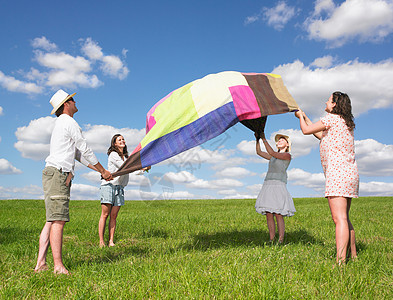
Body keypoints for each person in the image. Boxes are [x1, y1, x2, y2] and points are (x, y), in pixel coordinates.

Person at [34, 89, 112, 275]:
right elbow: (85, 149)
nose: (76, 102)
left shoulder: (62, 123)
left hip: (54, 173)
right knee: (58, 220)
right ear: (66, 104)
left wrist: (101, 172)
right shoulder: (69, 122)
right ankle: (58, 266)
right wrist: (103, 170)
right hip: (58, 174)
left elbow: (77, 155)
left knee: (51, 220)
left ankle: (41, 264)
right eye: (72, 100)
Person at [295, 91, 359, 265]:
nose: (326, 101)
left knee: (339, 219)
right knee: (345, 217)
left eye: (329, 100)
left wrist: (300, 118)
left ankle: (340, 263)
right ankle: (353, 255)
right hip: (349, 175)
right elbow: (320, 135)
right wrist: (305, 116)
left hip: (337, 175)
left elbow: (306, 131)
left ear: (334, 105)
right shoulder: (345, 123)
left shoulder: (331, 118)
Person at [255, 132, 296, 243]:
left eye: (282, 140)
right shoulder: (273, 157)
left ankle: (281, 240)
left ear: (287, 145)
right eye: (278, 140)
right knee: (269, 213)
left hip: (278, 184)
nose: (279, 141)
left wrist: (263, 138)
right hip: (268, 184)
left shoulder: (287, 155)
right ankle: (272, 239)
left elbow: (272, 152)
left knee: (278, 213)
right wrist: (257, 140)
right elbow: (259, 152)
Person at [98, 134, 129, 248]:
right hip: (109, 186)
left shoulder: (126, 157)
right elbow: (124, 167)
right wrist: (139, 166)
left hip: (119, 187)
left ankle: (111, 241)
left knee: (114, 216)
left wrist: (144, 168)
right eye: (119, 140)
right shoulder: (113, 155)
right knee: (105, 214)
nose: (122, 141)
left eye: (123, 139)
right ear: (115, 144)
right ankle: (101, 241)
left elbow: (130, 168)